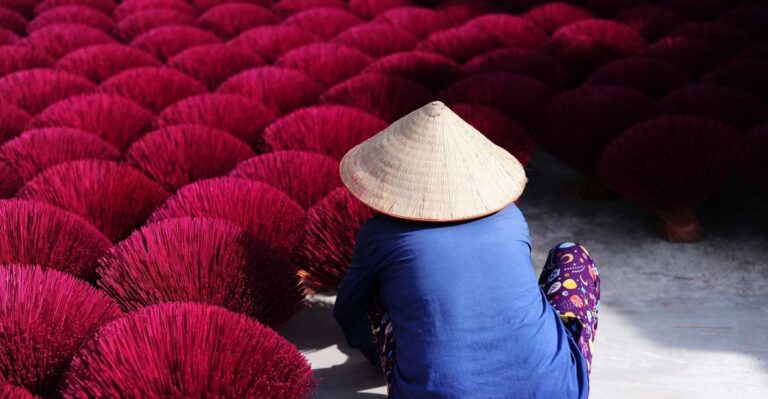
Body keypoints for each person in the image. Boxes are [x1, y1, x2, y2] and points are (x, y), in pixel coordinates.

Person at [334, 101, 600, 399]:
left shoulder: (380, 235)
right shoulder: (510, 218)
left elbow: (349, 308)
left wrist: (374, 352)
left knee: (376, 289)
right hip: (556, 390)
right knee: (572, 254)